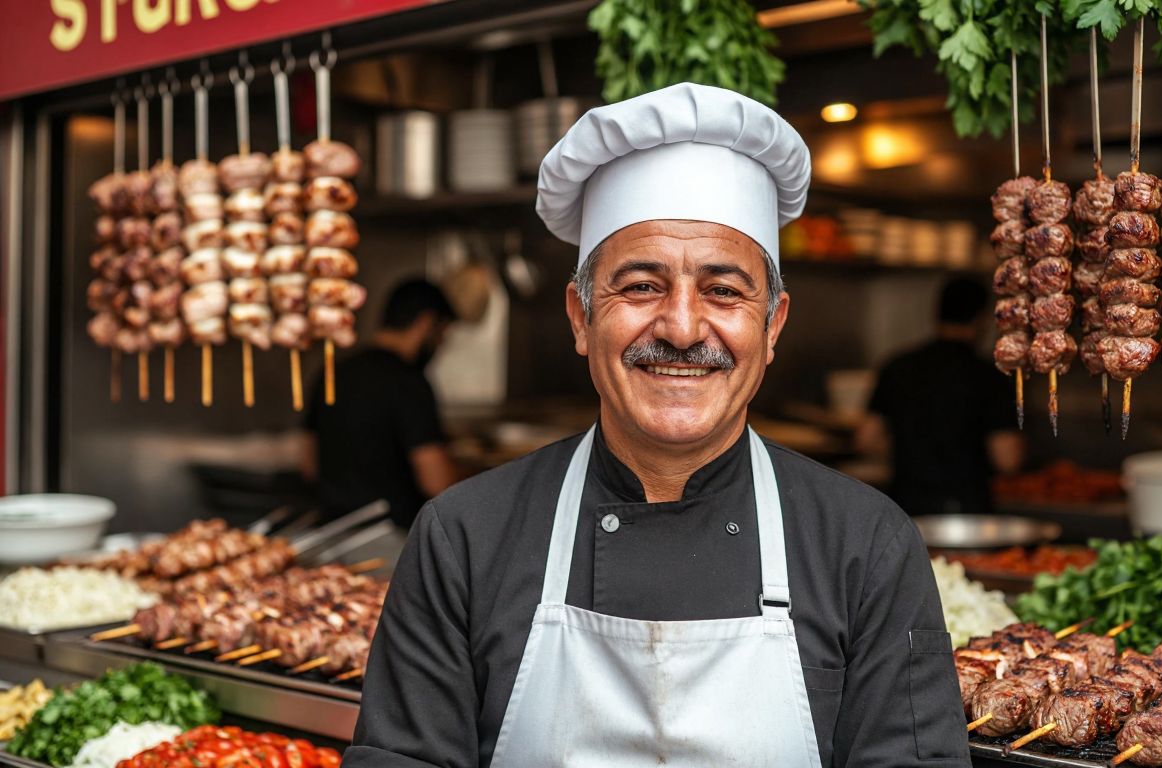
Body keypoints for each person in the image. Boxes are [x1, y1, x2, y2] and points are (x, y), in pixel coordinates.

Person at [344, 84, 969, 767]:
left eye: (724, 290)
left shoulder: (866, 547)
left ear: (772, 326)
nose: (680, 327)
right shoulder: (463, 539)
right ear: (581, 319)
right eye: (640, 285)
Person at [300, 278, 460, 531]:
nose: (440, 345)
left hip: (331, 530)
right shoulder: (410, 383)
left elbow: (308, 463)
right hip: (392, 537)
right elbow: (436, 480)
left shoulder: (333, 372)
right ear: (426, 323)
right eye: (441, 335)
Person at [857, 277, 1024, 516]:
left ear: (937, 313)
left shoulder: (897, 366)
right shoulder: (989, 377)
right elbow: (1007, 458)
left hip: (904, 508)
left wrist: (913, 454)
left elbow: (866, 439)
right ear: (982, 319)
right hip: (968, 512)